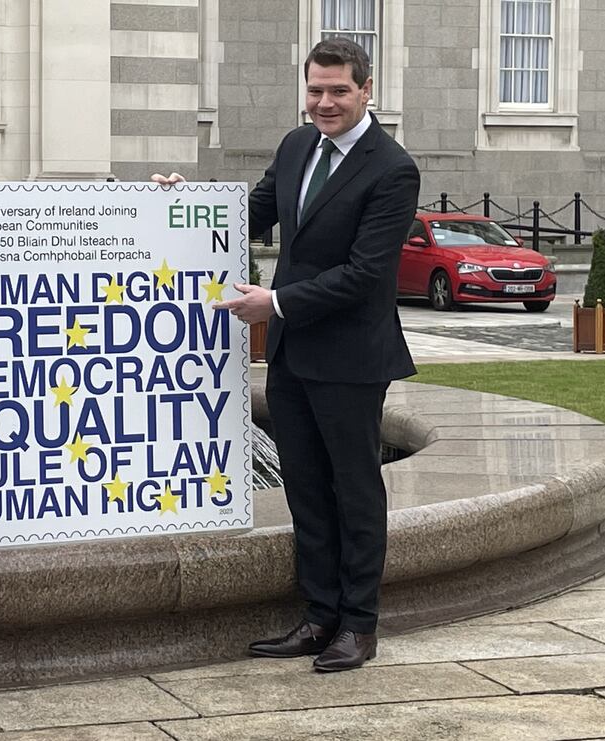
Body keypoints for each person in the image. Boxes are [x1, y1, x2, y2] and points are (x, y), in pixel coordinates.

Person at [156, 37, 419, 672]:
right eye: (315, 90)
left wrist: (275, 304)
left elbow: (364, 274)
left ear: (367, 89)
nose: (324, 103)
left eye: (338, 91)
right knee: (303, 485)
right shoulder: (297, 145)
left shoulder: (392, 168)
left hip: (352, 358)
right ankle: (319, 614)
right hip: (295, 355)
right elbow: (249, 212)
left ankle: (359, 624)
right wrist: (181, 202)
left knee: (353, 488)